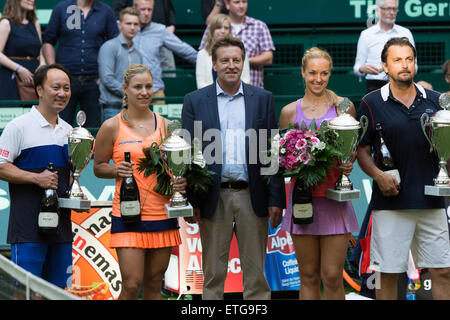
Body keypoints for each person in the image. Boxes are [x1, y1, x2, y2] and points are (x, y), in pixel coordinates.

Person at [181, 37, 285, 300]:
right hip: (214, 197)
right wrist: (192, 200)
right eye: (224, 60)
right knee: (214, 274)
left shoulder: (262, 99)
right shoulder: (194, 101)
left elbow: (271, 151)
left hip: (254, 196)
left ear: (244, 63)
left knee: (256, 278)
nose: (231, 65)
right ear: (214, 64)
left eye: (236, 60)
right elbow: (187, 153)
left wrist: (276, 198)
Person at [357, 37, 450, 300]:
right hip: (390, 203)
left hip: (432, 201)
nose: (405, 65)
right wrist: (378, 175)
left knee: (443, 272)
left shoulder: (437, 102)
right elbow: (362, 151)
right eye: (397, 60)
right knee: (387, 274)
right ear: (385, 66)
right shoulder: (371, 102)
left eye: (409, 59)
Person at [93, 64, 186, 300]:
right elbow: (98, 167)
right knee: (132, 284)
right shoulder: (111, 126)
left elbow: (176, 166)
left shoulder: (166, 125)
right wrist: (116, 171)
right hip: (128, 214)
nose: (144, 92)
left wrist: (179, 182)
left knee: (155, 284)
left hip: (162, 213)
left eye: (148, 86)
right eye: (137, 87)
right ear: (125, 89)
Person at [278, 47, 360, 300]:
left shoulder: (344, 108)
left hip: (335, 201)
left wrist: (349, 163)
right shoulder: (289, 112)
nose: (318, 79)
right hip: (303, 202)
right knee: (309, 276)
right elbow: (279, 159)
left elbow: (352, 151)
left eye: (324, 73)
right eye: (312, 73)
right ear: (303, 73)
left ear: (330, 74)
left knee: (332, 276)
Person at [0, 64, 73, 287]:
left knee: (60, 292)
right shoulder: (18, 127)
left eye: (67, 88)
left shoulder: (71, 131)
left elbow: (68, 180)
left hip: (61, 231)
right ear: (39, 90)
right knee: (25, 292)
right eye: (56, 87)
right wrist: (36, 178)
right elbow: (1, 166)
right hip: (27, 229)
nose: (62, 93)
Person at [43, 0, 119, 128]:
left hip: (94, 82)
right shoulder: (61, 9)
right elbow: (48, 41)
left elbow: (115, 45)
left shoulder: (106, 11)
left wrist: (103, 77)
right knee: (60, 125)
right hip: (65, 83)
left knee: (93, 128)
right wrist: (53, 70)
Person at [199, 0, 275, 88]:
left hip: (253, 89)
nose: (241, 6)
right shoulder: (217, 26)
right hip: (215, 92)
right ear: (227, 5)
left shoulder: (259, 26)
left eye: (244, 2)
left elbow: (268, 58)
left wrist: (242, 60)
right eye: (237, 2)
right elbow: (204, 54)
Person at [133, 0, 197, 104]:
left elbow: (185, 50)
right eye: (143, 9)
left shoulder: (160, 30)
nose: (146, 13)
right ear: (135, 9)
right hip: (131, 93)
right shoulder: (126, 30)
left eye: (149, 10)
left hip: (155, 92)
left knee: (158, 120)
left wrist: (208, 62)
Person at [353, 0, 416, 93]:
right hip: (374, 86)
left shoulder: (405, 33)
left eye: (395, 9)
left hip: (402, 83)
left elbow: (415, 65)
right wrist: (362, 69)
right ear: (377, 10)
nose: (392, 12)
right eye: (388, 9)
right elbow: (357, 67)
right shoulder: (366, 35)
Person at [98, 7, 143, 122]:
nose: (132, 27)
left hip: (133, 108)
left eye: (135, 24)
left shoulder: (138, 54)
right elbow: (107, 78)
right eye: (128, 23)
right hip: (112, 107)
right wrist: (130, 92)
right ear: (120, 25)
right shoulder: (109, 47)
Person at [114, 0, 177, 76]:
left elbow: (169, 7)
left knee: (169, 70)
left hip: (162, 32)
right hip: (137, 33)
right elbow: (118, 10)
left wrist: (171, 24)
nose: (147, 12)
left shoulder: (162, 31)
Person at [0, 0, 44, 107]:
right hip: (11, 79)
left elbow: (40, 52)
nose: (32, 0)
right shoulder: (6, 23)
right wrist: (19, 69)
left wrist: (42, 65)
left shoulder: (35, 24)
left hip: (33, 79)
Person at [196, 13, 250, 89]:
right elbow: (201, 84)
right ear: (212, 30)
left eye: (226, 28)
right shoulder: (202, 54)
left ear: (230, 31)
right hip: (209, 97)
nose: (223, 31)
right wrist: (219, 93)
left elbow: (246, 80)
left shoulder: (240, 51)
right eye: (218, 28)